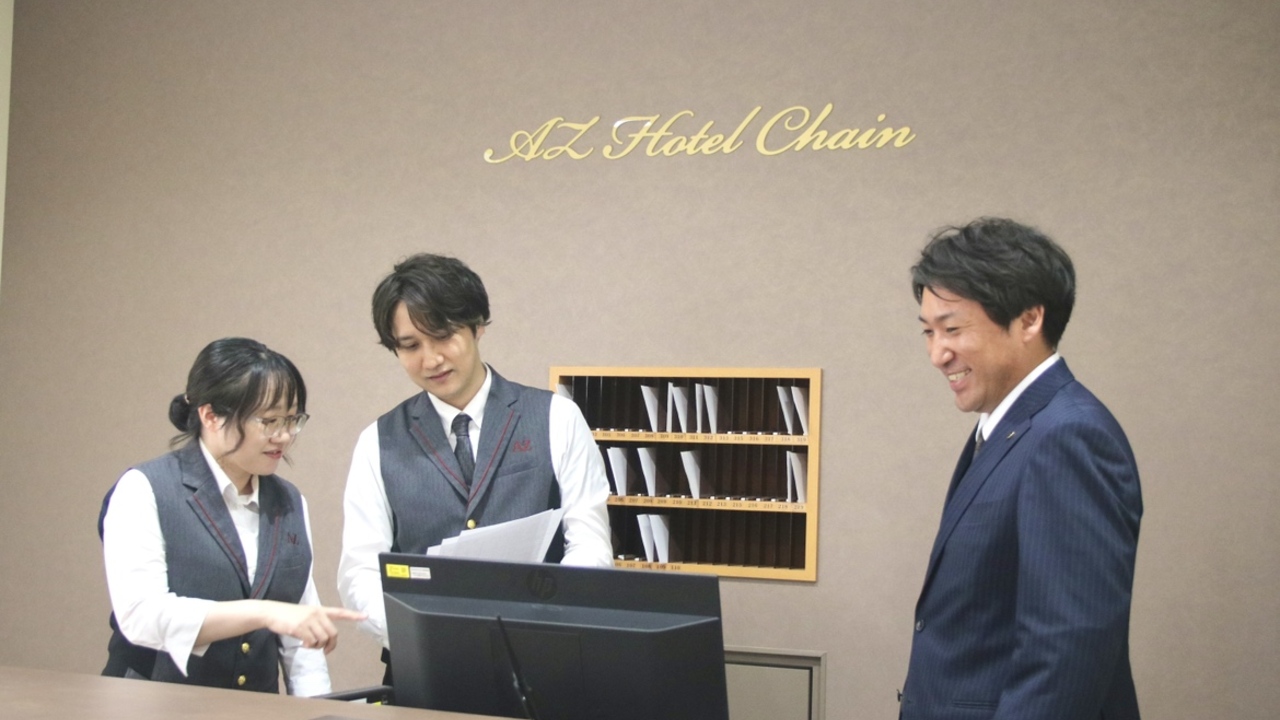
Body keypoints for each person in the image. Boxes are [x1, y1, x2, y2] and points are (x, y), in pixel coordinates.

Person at [900, 218, 1143, 719]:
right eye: (928, 332)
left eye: (952, 329)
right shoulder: (1008, 427)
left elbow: (1066, 653)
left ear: (1029, 320)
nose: (937, 354)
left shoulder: (1069, 436)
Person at [338, 253, 613, 676]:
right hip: (422, 665)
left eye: (443, 336)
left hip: (544, 659)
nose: (431, 359)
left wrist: (546, 623)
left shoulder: (556, 418)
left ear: (477, 325)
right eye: (410, 346)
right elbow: (360, 571)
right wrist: (417, 632)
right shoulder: (378, 442)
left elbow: (590, 545)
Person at [100, 338, 364, 696]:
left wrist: (317, 710)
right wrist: (263, 612)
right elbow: (141, 616)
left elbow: (300, 640)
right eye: (269, 421)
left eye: (292, 419)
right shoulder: (144, 488)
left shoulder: (289, 502)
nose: (284, 436)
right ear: (210, 415)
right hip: (153, 702)